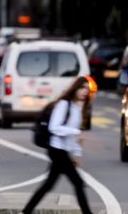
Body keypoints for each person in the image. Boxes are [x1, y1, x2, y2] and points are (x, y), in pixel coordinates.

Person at [22, 76, 93, 214]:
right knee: (77, 183)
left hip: (63, 151)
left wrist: (77, 154)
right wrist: (75, 131)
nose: (85, 91)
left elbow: (74, 137)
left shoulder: (77, 107)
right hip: (57, 149)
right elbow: (54, 127)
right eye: (82, 88)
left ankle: (26, 211)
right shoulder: (64, 104)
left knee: (49, 184)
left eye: (87, 89)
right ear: (75, 88)